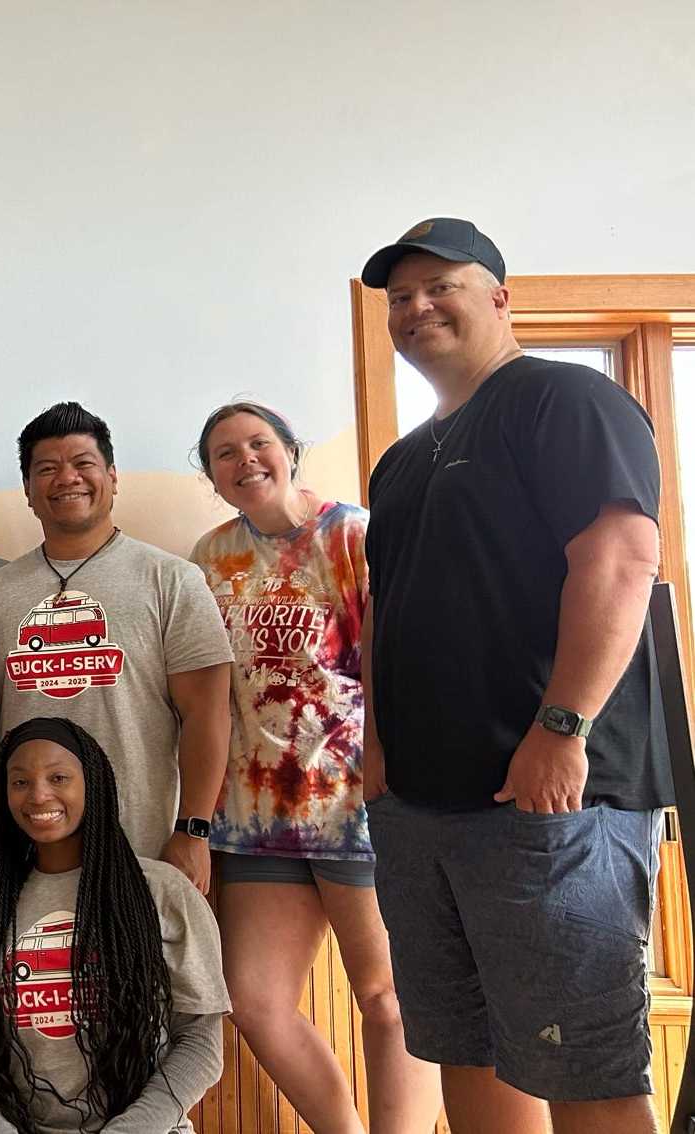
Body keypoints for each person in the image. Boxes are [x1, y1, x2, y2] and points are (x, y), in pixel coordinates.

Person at [360, 218, 669, 1134]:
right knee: (467, 1048)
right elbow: (388, 612)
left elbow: (621, 557)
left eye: (439, 287)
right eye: (399, 299)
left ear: (499, 297)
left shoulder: (564, 398)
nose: (417, 308)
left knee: (585, 1068)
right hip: (421, 810)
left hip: (549, 802)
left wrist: (562, 727)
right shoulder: (404, 460)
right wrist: (377, 750)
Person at [187, 402, 438, 1133]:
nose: (245, 461)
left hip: (356, 804)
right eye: (224, 453)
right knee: (255, 998)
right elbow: (208, 694)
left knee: (387, 995)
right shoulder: (210, 557)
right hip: (256, 812)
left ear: (290, 450)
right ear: (210, 475)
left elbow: (397, 665)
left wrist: (388, 770)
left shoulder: (354, 535)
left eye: (258, 443)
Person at [0, 402, 232, 891]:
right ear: (27, 490)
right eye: (46, 468)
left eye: (83, 464)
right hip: (27, 846)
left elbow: (208, 711)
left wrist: (193, 829)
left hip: (143, 846)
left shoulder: (171, 579)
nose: (66, 478)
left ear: (112, 476)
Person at [0, 717, 229, 1133]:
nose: (39, 794)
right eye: (20, 782)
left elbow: (201, 1044)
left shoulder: (161, 890)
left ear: (93, 783)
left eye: (59, 777)